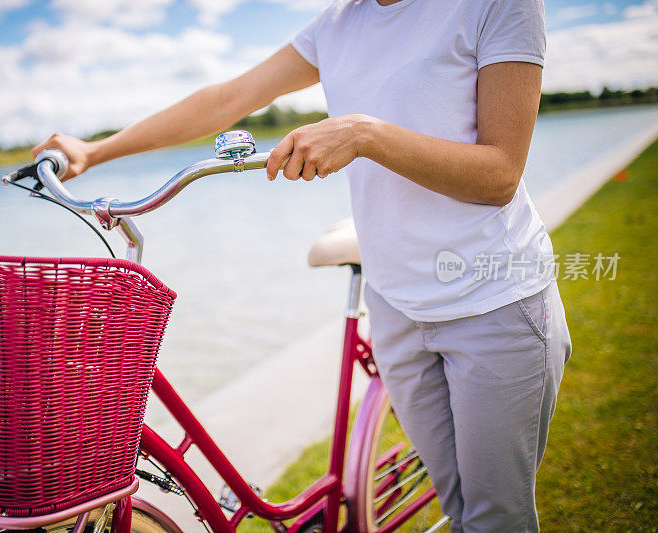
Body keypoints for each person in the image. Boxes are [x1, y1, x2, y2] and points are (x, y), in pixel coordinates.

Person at [33, 0, 572, 530]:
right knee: (461, 510)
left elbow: (499, 174)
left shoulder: (499, 4)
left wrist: (364, 134)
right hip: (396, 305)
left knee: (496, 519)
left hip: (495, 301)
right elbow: (228, 99)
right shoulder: (338, 23)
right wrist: (95, 151)